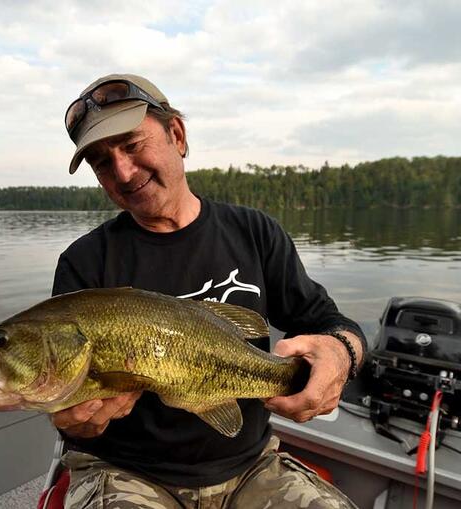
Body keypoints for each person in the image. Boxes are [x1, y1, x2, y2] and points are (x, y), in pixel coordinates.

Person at [50, 73, 366, 508]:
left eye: (132, 145)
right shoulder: (84, 263)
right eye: (102, 162)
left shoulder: (255, 233)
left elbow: (333, 324)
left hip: (251, 466)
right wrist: (72, 423)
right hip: (126, 471)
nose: (122, 171)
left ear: (176, 134)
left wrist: (342, 353)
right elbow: (68, 407)